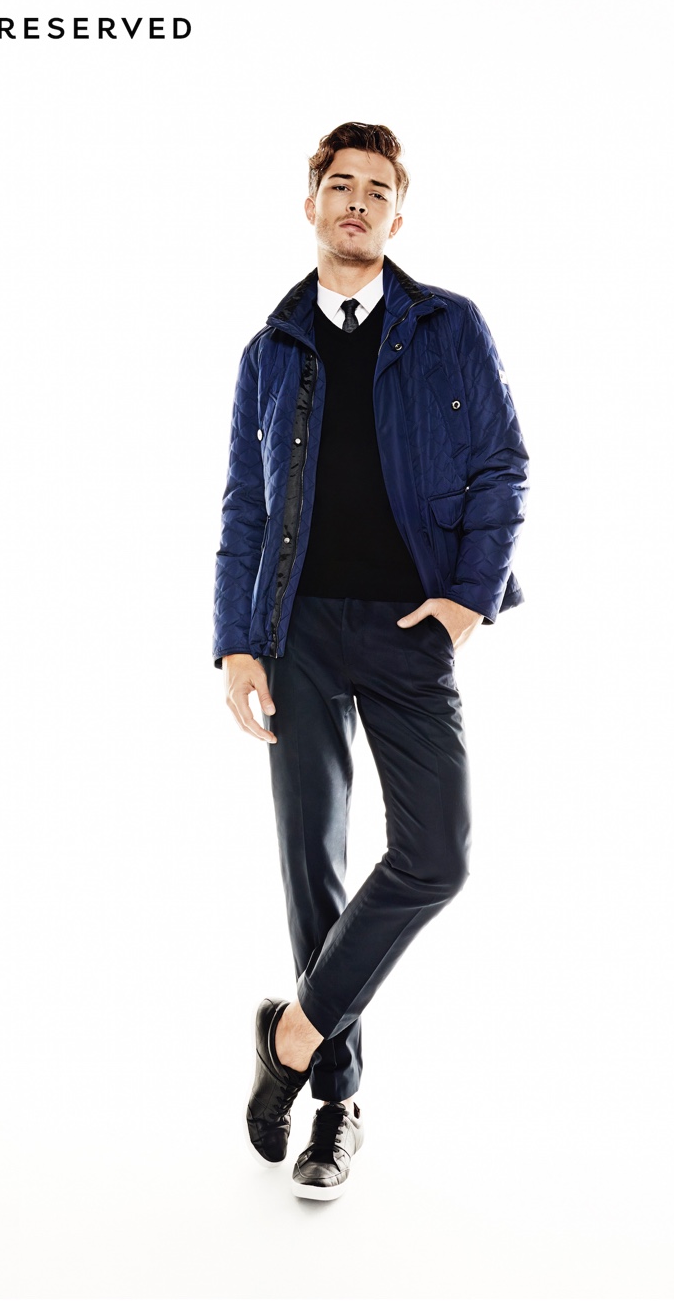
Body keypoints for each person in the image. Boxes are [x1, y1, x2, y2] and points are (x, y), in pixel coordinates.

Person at [213, 121, 529, 1200]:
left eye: (377, 189)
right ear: (310, 204)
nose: (357, 201)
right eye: (339, 184)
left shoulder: (449, 326)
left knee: (436, 853)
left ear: (398, 213)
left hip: (408, 628)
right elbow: (245, 507)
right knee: (315, 861)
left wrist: (468, 600)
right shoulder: (270, 349)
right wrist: (237, 642)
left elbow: (502, 465)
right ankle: (336, 1105)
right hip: (295, 631)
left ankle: (292, 1039)